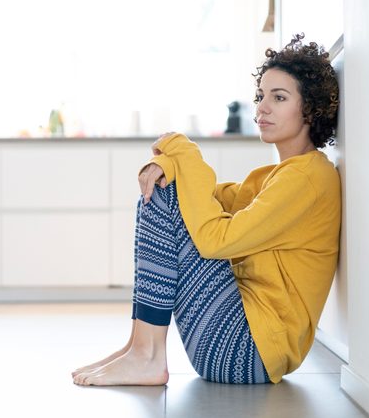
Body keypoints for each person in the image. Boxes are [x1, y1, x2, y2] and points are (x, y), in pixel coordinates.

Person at [72, 33, 341, 386]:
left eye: (279, 97)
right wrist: (170, 168)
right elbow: (206, 197)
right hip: (237, 344)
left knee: (168, 199)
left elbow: (215, 240)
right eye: (261, 96)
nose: (262, 107)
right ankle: (140, 347)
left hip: (246, 353)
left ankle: (146, 353)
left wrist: (181, 151)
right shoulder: (279, 176)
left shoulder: (307, 179)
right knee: (168, 194)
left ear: (310, 108)